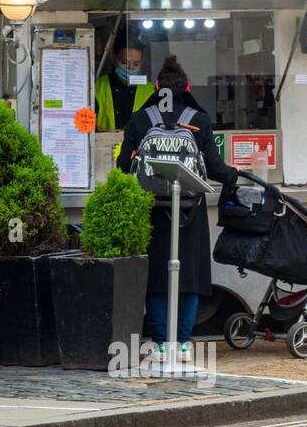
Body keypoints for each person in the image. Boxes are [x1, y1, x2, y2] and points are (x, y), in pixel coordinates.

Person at [119, 56, 239, 365]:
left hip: (151, 211)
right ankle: (183, 344)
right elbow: (213, 168)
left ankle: (160, 344)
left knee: (156, 278)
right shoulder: (198, 117)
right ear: (186, 86)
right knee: (190, 278)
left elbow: (122, 167)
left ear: (157, 87)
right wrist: (232, 176)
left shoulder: (139, 119)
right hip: (189, 210)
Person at [96, 41, 155, 132]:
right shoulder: (97, 86)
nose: (130, 68)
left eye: (136, 64)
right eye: (125, 62)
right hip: (105, 144)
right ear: (115, 59)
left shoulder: (150, 89)